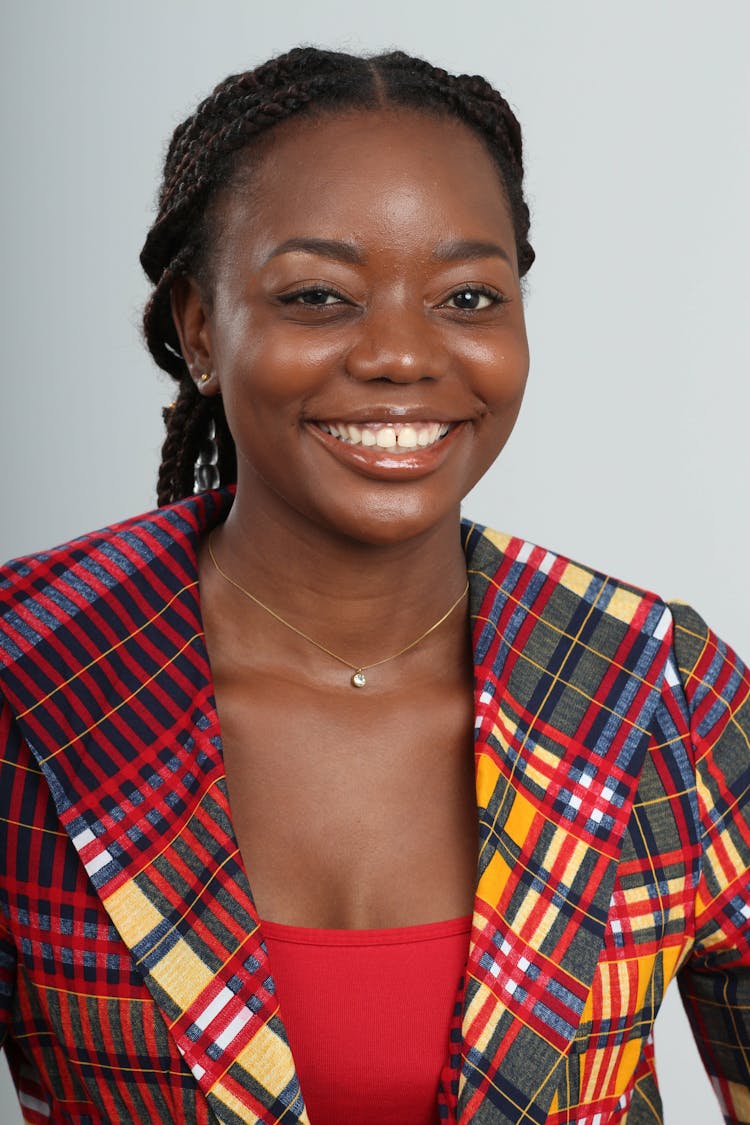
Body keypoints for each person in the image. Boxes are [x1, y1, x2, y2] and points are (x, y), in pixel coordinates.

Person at [0, 45, 748, 1125]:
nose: (401, 353)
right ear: (199, 327)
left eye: (467, 296)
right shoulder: (32, 677)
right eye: (318, 295)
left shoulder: (659, 692)